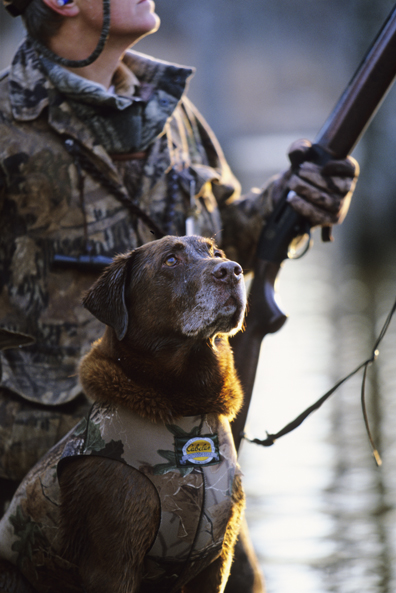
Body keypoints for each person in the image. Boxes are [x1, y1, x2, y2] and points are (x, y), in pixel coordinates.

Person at [0, 0, 359, 590]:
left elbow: (224, 239)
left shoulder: (174, 113)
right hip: (48, 476)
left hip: (189, 453)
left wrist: (293, 201)